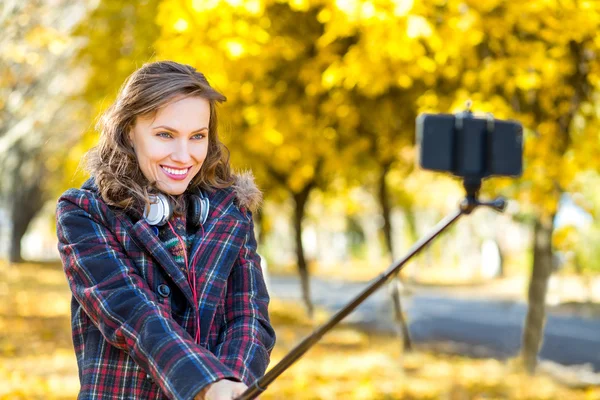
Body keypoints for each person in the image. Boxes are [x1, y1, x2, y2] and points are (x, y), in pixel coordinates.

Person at [56, 60, 276, 400]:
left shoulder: (231, 212)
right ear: (129, 131)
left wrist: (233, 383)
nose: (183, 155)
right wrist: (206, 383)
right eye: (165, 135)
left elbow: (249, 318)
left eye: (198, 136)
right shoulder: (84, 213)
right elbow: (135, 316)